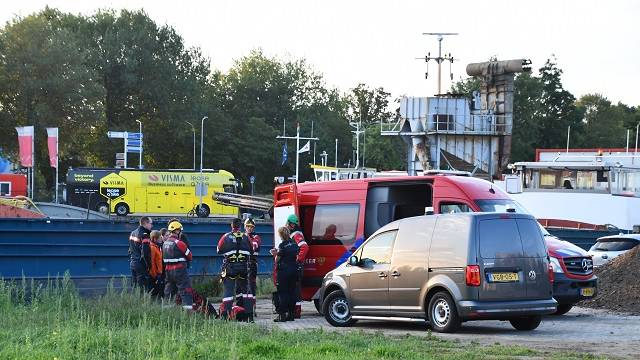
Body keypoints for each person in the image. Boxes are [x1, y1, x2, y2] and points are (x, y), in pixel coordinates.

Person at [217, 218, 253, 321]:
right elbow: (251, 250)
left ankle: (225, 316)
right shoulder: (246, 237)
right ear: (240, 226)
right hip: (244, 268)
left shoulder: (225, 237)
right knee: (247, 291)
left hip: (230, 268)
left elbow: (218, 250)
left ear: (231, 226)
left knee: (228, 291)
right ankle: (249, 316)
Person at [163, 221, 194, 310]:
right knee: (185, 291)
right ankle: (188, 315)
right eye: (180, 231)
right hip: (180, 270)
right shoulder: (179, 243)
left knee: (169, 292)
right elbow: (190, 256)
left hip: (168, 271)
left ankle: (167, 312)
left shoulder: (165, 243)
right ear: (177, 231)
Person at [270, 226, 299, 322]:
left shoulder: (282, 245)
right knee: (292, 292)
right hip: (294, 270)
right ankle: (291, 315)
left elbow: (277, 259)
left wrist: (274, 254)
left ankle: (281, 315)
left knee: (282, 293)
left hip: (284, 272)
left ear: (281, 235)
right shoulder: (294, 244)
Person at [286, 214, 308, 318]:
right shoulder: (295, 233)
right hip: (296, 266)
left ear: (291, 224)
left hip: (297, 266)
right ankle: (295, 310)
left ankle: (297, 311)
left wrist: (297, 259)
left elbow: (304, 247)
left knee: (295, 289)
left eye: (288, 223)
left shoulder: (296, 235)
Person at [129, 216, 153, 292]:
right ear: (145, 223)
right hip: (141, 264)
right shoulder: (145, 235)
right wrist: (149, 265)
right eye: (151, 223)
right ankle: (144, 302)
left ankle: (135, 302)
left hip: (133, 263)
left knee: (135, 286)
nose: (152, 225)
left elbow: (130, 249)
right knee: (143, 288)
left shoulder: (133, 233)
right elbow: (145, 253)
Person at [244, 217, 261, 315]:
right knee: (242, 287)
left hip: (252, 264)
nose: (249, 228)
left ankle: (253, 308)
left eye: (251, 227)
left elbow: (253, 246)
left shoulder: (256, 237)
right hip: (242, 264)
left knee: (252, 286)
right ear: (245, 227)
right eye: (248, 226)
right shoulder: (242, 236)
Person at [149, 230, 165, 298]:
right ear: (155, 239)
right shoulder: (152, 248)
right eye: (159, 238)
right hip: (155, 275)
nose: (161, 239)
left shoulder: (157, 247)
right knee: (155, 291)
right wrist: (155, 275)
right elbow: (152, 263)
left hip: (159, 273)